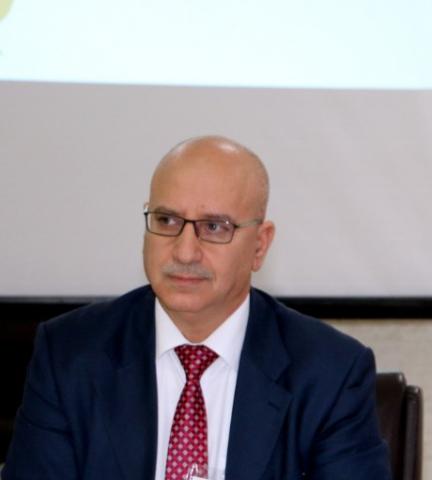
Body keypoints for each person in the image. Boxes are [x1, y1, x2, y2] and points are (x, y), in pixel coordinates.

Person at [2, 136, 392, 480]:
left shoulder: (330, 372)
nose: (185, 251)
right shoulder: (69, 355)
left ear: (259, 245)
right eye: (167, 220)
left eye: (214, 227)